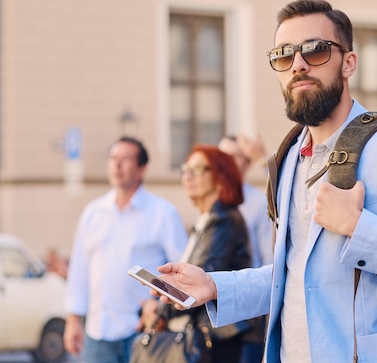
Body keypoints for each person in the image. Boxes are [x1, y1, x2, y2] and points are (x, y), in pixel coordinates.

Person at [151, 0, 377, 363]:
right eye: (283, 55)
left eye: (316, 50)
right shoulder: (288, 156)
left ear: (348, 62)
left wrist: (358, 227)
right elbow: (295, 275)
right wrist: (214, 285)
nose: (299, 65)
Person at [63, 136, 189, 363]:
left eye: (126, 158)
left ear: (142, 169)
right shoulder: (93, 213)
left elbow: (181, 272)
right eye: (113, 158)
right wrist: (73, 319)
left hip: (144, 331)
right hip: (98, 333)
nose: (117, 164)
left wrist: (160, 309)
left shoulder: (163, 214)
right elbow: (80, 270)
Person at [139, 145, 251, 363]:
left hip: (219, 340)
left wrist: (161, 311)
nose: (188, 175)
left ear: (220, 177)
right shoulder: (207, 221)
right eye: (185, 169)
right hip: (212, 336)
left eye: (198, 169)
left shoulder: (223, 220)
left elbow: (200, 278)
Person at [219, 134, 271, 363]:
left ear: (247, 164)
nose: (226, 162)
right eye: (222, 156)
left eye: (235, 156)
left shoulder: (259, 202)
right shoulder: (211, 199)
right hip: (215, 307)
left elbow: (268, 256)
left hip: (247, 309)